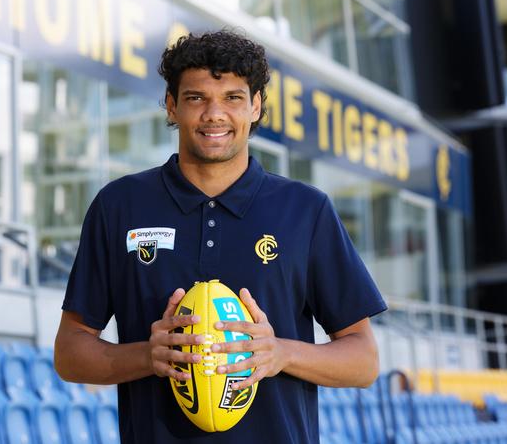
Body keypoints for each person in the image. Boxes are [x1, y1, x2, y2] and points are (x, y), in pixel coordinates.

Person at [53, 30, 387, 443]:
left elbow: (364, 360)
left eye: (232, 97)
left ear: (255, 107)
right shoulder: (119, 206)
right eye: (196, 98)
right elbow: (69, 353)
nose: (215, 114)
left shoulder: (305, 210)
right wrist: (147, 355)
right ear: (172, 106)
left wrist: (280, 353)